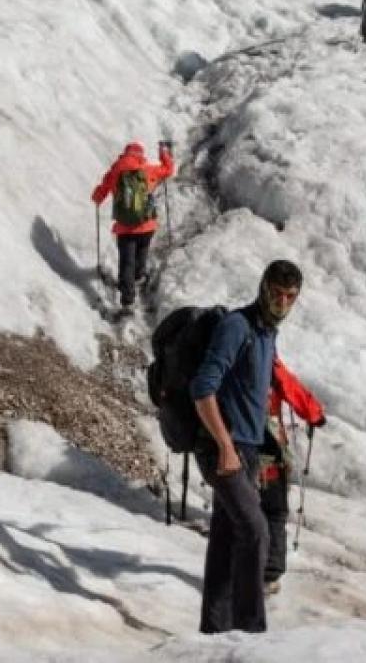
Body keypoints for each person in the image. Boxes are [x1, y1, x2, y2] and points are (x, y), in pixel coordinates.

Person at [189, 260, 303, 635]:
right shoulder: (237, 327)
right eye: (277, 293)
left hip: (249, 449)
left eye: (290, 297)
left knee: (225, 541)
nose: (282, 302)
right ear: (263, 288)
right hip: (222, 447)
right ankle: (251, 634)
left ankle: (214, 634)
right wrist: (224, 444)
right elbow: (202, 387)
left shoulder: (268, 334)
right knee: (255, 531)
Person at [259, 356, 325, 595]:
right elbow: (291, 387)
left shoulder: (223, 350)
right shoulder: (266, 358)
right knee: (274, 513)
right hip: (268, 452)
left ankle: (236, 569)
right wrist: (315, 414)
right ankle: (268, 574)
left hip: (229, 452)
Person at [89, 141, 175, 308]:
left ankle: (127, 299)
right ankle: (139, 276)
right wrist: (163, 152)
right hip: (147, 225)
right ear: (140, 155)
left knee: (127, 261)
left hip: (125, 228)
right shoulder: (148, 170)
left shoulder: (116, 171)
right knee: (141, 253)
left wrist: (98, 197)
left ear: (125, 154)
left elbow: (99, 194)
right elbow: (168, 170)